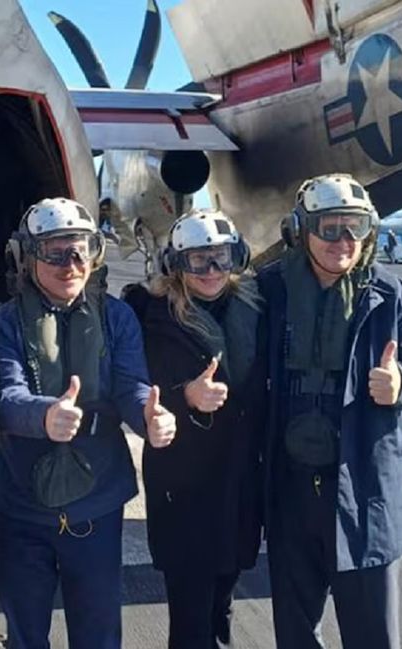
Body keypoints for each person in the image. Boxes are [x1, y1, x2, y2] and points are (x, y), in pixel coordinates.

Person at [0, 197, 177, 649]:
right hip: (19, 508)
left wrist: (149, 415)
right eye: (55, 252)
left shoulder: (117, 317)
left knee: (97, 635)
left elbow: (131, 385)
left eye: (81, 250)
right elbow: (5, 397)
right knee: (25, 635)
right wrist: (44, 416)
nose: (70, 264)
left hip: (96, 502)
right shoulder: (3, 324)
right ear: (27, 258)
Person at [261, 174, 402, 649]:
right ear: (300, 230)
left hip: (363, 494)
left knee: (372, 636)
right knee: (295, 635)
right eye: (329, 227)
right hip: (291, 492)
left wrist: (401, 385)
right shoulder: (269, 290)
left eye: (354, 228)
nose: (344, 240)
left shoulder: (394, 296)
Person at [123, 209, 265, 648]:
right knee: (190, 616)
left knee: (222, 605)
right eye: (198, 261)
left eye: (222, 258)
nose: (212, 271)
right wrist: (185, 396)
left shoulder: (253, 308)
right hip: (184, 487)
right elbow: (138, 386)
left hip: (239, 482)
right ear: (176, 266)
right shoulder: (152, 316)